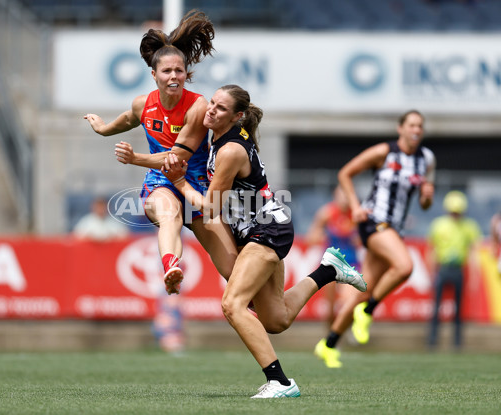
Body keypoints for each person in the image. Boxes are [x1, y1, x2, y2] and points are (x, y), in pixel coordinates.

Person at [162, 84, 367, 398]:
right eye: (211, 103)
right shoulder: (216, 136)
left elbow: (211, 207)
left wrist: (179, 183)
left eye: (220, 108)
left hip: (268, 229)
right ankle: (328, 270)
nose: (211, 110)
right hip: (257, 230)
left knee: (232, 304)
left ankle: (282, 382)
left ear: (237, 116)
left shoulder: (230, 149)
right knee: (276, 319)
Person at [83, 10, 237, 294]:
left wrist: (135, 159)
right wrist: (103, 129)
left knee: (233, 269)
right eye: (167, 71)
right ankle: (171, 267)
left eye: (179, 70)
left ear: (186, 74)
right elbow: (127, 120)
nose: (174, 76)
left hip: (197, 188)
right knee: (170, 216)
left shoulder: (198, 106)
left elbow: (176, 159)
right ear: (154, 75)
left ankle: (254, 305)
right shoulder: (144, 104)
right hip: (161, 183)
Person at [314, 109, 436, 368]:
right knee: (404, 266)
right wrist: (356, 206)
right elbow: (345, 173)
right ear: (400, 128)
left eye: (420, 126)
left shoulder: (426, 159)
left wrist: (427, 196)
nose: (416, 130)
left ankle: (328, 344)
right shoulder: (385, 152)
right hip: (374, 222)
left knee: (362, 290)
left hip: (395, 228)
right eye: (412, 125)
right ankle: (368, 312)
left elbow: (425, 204)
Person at [427, 190, 481, 350]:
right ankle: (432, 341)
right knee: (436, 307)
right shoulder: (438, 224)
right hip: (442, 269)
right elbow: (432, 250)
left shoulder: (470, 226)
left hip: (458, 270)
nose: (455, 215)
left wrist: (474, 276)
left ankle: (457, 342)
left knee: (459, 308)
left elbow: (473, 253)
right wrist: (432, 272)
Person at [305, 185, 362, 326]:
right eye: (341, 195)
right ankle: (330, 331)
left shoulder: (357, 215)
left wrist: (359, 239)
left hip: (351, 263)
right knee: (330, 309)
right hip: (330, 264)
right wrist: (321, 236)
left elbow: (365, 240)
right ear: (335, 196)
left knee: (348, 301)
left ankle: (344, 329)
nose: (344, 199)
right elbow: (310, 238)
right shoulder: (326, 213)